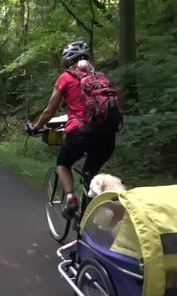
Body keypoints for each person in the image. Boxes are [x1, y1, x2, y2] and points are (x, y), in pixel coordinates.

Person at [26, 41, 117, 217]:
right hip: (107, 135)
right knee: (90, 175)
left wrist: (36, 127)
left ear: (68, 61)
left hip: (80, 132)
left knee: (63, 163)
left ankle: (70, 198)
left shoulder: (65, 78)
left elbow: (50, 110)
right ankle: (88, 217)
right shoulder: (102, 77)